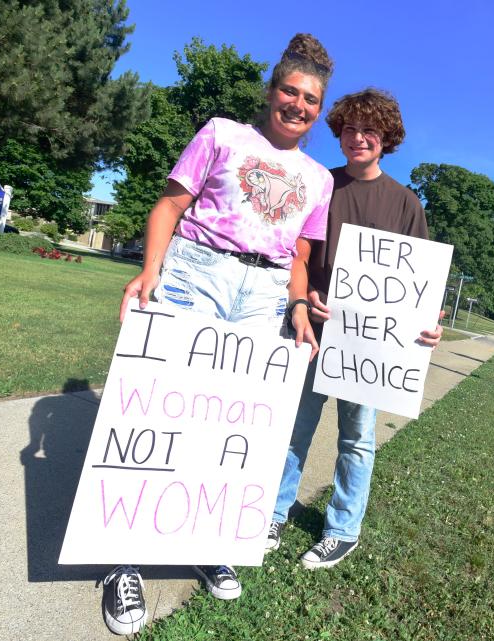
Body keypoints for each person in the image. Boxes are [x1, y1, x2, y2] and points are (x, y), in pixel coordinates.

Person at [101, 33, 334, 636]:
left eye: (311, 99)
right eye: (290, 90)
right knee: (158, 411)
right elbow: (168, 208)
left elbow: (300, 257)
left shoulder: (318, 178)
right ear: (271, 90)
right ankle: (122, 559)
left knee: (233, 423)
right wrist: (150, 270)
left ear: (318, 109)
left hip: (264, 293)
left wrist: (299, 304)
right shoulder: (222, 134)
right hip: (197, 269)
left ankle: (209, 539)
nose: (298, 105)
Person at [266, 88, 442, 569]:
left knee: (357, 438)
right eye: (349, 128)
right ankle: (274, 513)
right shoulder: (320, 183)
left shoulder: (406, 204)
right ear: (339, 133)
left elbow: (418, 288)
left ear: (386, 139)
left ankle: (343, 529)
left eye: (370, 131)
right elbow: (295, 252)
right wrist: (304, 297)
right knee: (292, 428)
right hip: (311, 331)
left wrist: (428, 327)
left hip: (368, 350)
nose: (358, 138)